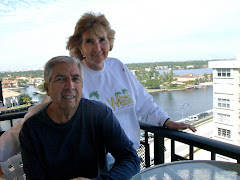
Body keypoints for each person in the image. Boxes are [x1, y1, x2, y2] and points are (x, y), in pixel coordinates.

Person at [0, 12, 196, 168]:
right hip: (96, 167)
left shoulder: (118, 67)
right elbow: (34, 119)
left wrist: (166, 121)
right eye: (89, 41)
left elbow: (144, 104)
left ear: (109, 42)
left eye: (102, 40)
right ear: (79, 46)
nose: (97, 47)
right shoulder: (74, 76)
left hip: (128, 159)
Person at [19, 56, 140, 179]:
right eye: (61, 79)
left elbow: (130, 159)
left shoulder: (99, 114)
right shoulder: (32, 129)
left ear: (81, 85)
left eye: (75, 79)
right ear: (47, 89)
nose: (70, 86)